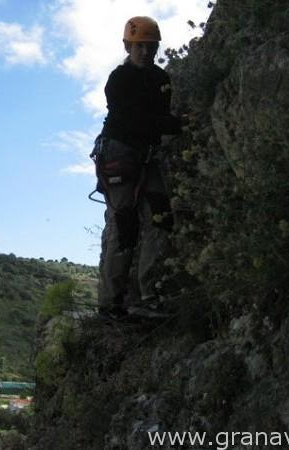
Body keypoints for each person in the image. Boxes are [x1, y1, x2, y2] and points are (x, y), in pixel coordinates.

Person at [92, 16, 186, 320]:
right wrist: (174, 125)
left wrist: (171, 125)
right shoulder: (118, 80)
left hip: (145, 155)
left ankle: (149, 295)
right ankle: (111, 305)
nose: (145, 51)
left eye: (150, 46)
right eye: (139, 46)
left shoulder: (161, 79)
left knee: (162, 218)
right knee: (125, 225)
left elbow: (156, 119)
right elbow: (134, 119)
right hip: (119, 154)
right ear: (127, 46)